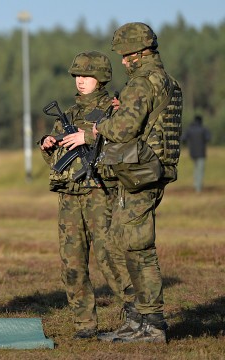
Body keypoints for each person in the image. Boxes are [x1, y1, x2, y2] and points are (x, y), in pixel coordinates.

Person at [94, 22, 183, 343]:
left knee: (138, 247)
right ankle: (136, 320)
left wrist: (102, 125)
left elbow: (122, 130)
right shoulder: (166, 81)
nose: (122, 61)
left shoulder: (141, 84)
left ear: (138, 53)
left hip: (141, 173)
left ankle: (152, 324)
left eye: (125, 55)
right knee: (121, 240)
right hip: (151, 169)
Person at [38, 51, 134, 339]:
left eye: (87, 75)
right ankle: (84, 323)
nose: (81, 81)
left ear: (102, 78)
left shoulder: (116, 110)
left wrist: (89, 136)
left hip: (101, 192)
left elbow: (125, 141)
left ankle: (135, 311)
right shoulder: (67, 114)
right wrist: (49, 144)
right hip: (69, 195)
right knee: (72, 259)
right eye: (77, 75)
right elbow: (57, 162)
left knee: (109, 255)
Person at [181, 115, 210, 193]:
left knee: (196, 168)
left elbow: (183, 138)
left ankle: (195, 184)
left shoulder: (190, 129)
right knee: (200, 170)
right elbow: (208, 138)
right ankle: (198, 188)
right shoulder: (203, 129)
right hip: (201, 153)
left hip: (192, 153)